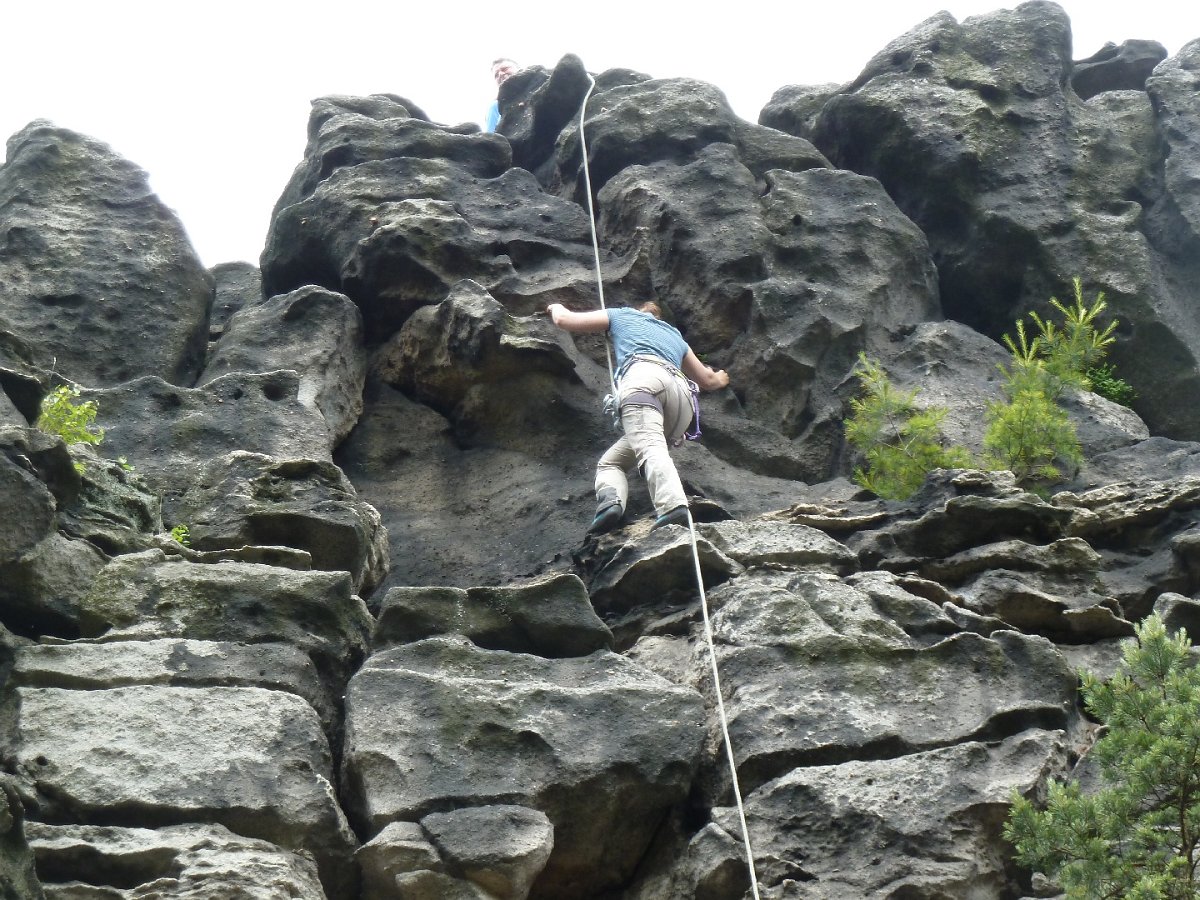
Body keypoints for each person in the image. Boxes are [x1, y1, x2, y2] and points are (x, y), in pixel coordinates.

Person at [546, 300, 729, 532]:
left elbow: (565, 321)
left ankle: (672, 505)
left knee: (650, 446)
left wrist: (555, 307)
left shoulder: (622, 315)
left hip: (644, 380)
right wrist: (722, 377)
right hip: (681, 404)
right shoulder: (673, 335)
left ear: (638, 310)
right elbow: (708, 381)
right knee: (610, 462)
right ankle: (611, 505)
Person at [485, 58, 519, 133]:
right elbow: (491, 138)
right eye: (496, 75)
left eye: (505, 69)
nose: (500, 74)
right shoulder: (496, 106)